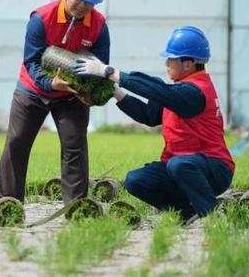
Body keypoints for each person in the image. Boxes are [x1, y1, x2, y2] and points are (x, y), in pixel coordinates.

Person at [73, 26, 234, 221]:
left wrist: (108, 71)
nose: (167, 63)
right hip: (182, 167)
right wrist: (116, 92)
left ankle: (212, 214)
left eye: (171, 59)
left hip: (214, 169)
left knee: (179, 164)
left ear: (188, 64)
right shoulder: (177, 90)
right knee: (136, 180)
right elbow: (149, 116)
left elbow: (156, 90)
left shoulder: (195, 91)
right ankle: (186, 212)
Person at [0, 0, 110, 203]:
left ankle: (76, 206)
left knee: (75, 145)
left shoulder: (99, 26)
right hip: (33, 89)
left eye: (89, 2)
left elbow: (100, 65)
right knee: (17, 143)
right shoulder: (41, 18)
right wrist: (49, 83)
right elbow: (31, 60)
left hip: (71, 95)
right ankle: (8, 202)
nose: (82, 6)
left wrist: (89, 90)